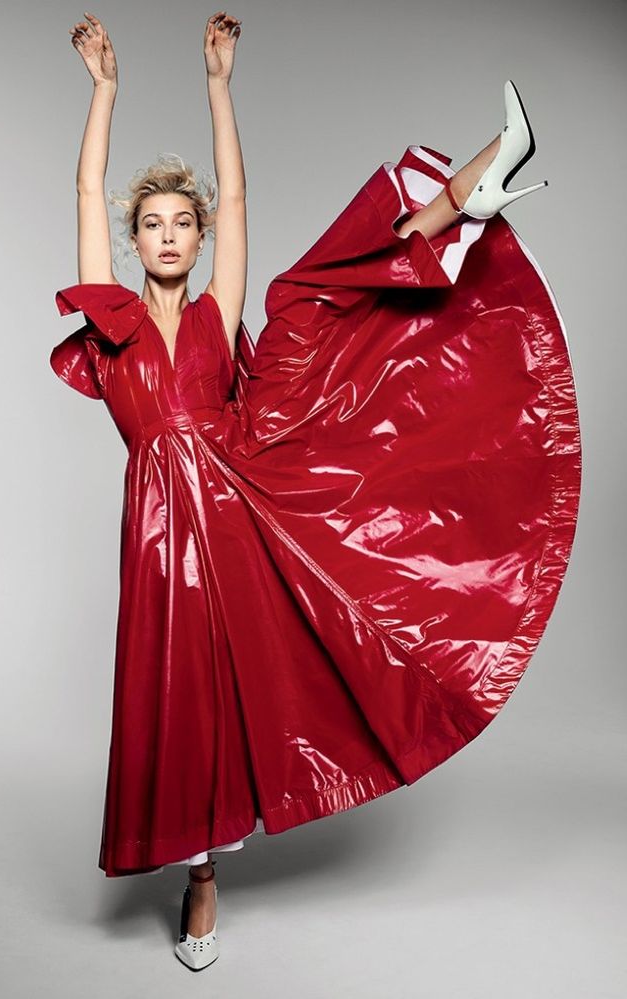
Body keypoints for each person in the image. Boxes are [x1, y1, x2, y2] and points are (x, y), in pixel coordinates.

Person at [51, 10, 581, 973]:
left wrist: (219, 84)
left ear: (199, 237)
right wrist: (104, 91)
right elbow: (85, 185)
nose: (168, 235)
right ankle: (201, 876)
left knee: (306, 301)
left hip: (243, 500)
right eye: (151, 226)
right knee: (181, 697)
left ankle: (470, 190)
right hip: (161, 532)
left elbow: (242, 197)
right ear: (132, 243)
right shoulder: (112, 323)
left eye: (183, 223)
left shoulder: (216, 311)